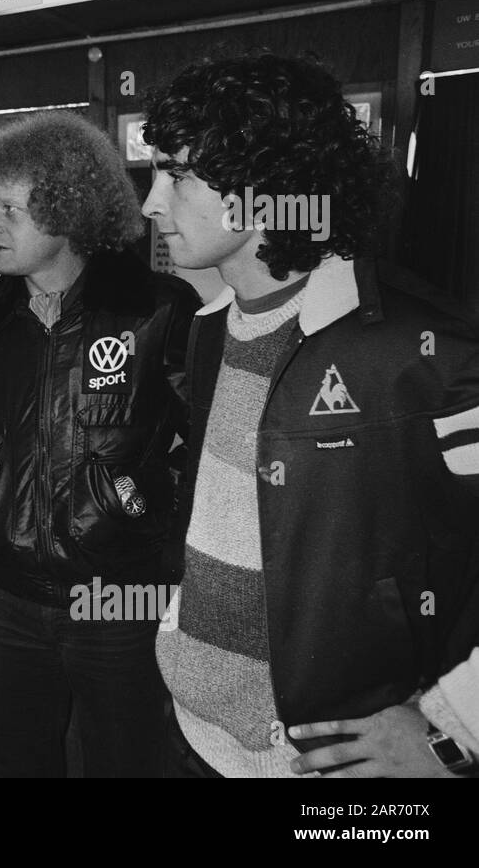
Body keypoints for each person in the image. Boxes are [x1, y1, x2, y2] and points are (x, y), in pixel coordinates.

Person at [142, 52, 479, 778]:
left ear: (265, 186)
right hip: (192, 736)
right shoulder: (206, 331)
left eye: (175, 173)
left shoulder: (422, 351)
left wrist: (455, 729)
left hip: (320, 763)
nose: (151, 203)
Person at [0, 112, 200, 777]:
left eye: (8, 209)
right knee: (19, 763)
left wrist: (132, 503)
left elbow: (206, 446)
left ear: (65, 213)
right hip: (7, 593)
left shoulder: (158, 309)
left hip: (117, 595)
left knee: (126, 763)